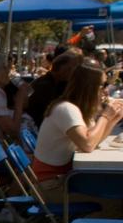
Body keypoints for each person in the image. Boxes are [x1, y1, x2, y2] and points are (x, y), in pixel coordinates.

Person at [31, 58, 123, 193]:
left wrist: (114, 118)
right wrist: (105, 116)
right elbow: (87, 145)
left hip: (65, 178)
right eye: (102, 85)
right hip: (49, 185)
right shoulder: (66, 109)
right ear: (89, 88)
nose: (105, 91)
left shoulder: (78, 109)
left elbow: (94, 141)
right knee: (115, 197)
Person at [25, 47, 84, 128]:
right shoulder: (45, 86)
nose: (74, 72)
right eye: (72, 68)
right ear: (63, 69)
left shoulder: (61, 84)